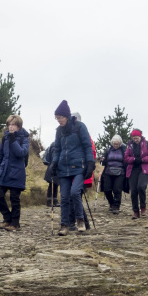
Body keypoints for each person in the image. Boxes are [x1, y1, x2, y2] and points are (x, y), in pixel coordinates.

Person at [51, 100, 95, 236]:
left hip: (78, 167)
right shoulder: (59, 131)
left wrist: (90, 162)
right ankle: (64, 225)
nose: (58, 120)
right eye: (56, 118)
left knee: (75, 192)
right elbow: (57, 149)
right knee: (64, 197)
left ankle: (80, 220)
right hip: (63, 168)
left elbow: (87, 145)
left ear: (67, 116)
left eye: (60, 118)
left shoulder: (80, 127)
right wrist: (53, 163)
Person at [0, 114, 29, 231]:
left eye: (14, 125)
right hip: (4, 171)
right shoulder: (5, 137)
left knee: (14, 198)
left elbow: (21, 153)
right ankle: (7, 218)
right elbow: (1, 154)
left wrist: (13, 141)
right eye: (9, 125)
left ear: (19, 126)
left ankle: (15, 223)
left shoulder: (24, 138)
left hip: (17, 172)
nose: (11, 127)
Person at [124, 129, 148, 218]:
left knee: (141, 187)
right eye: (134, 138)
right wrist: (134, 159)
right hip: (132, 170)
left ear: (140, 136)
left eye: (137, 138)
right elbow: (126, 158)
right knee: (133, 191)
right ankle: (135, 211)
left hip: (144, 169)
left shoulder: (147, 144)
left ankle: (143, 207)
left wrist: (142, 160)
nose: (135, 140)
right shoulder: (129, 146)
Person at [101, 134, 126, 214]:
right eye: (114, 144)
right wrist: (102, 159)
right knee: (107, 189)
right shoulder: (108, 150)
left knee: (117, 189)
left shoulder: (123, 150)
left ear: (120, 143)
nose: (116, 145)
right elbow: (104, 162)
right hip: (108, 172)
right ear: (112, 143)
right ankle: (111, 203)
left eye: (117, 144)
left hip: (120, 172)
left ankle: (116, 206)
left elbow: (126, 161)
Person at [42, 142, 60, 207]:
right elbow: (54, 157)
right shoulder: (55, 146)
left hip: (53, 168)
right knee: (52, 185)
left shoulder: (54, 145)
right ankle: (50, 202)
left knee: (55, 184)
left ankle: (54, 201)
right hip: (53, 168)